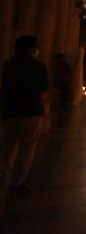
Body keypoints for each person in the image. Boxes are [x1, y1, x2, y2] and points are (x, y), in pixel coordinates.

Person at [0, 36, 50, 196]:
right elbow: (45, 86)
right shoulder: (38, 65)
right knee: (27, 147)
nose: (38, 50)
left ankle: (4, 179)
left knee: (8, 147)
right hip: (30, 110)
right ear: (31, 49)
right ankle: (17, 182)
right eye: (36, 47)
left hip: (10, 111)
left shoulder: (8, 64)